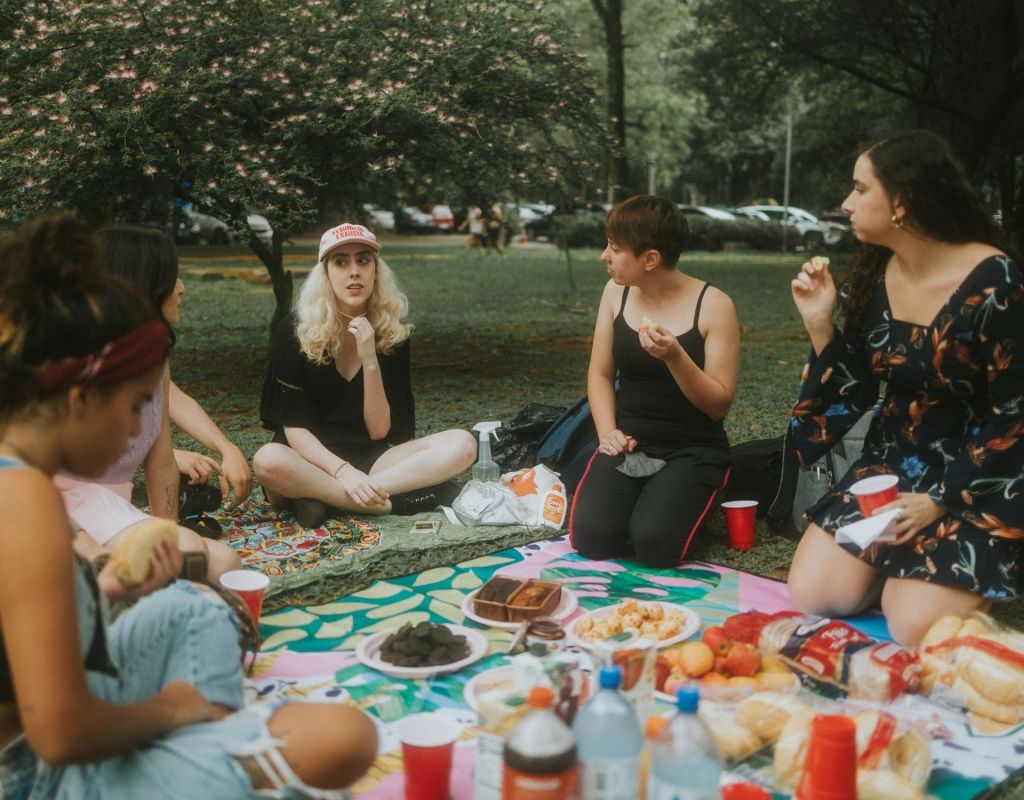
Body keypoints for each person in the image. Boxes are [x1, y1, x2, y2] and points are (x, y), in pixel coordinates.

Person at [0, 215, 377, 799]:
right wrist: (173, 709)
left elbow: (32, 621)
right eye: (135, 406)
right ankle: (210, 752)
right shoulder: (23, 503)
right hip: (37, 771)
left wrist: (109, 586)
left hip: (75, 696)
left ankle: (212, 743)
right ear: (79, 399)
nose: (143, 427)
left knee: (194, 605)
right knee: (341, 739)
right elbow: (61, 735)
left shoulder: (24, 480)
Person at [786, 129, 1024, 646]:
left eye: (859, 189)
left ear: (902, 202)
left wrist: (940, 500)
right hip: (889, 469)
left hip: (974, 474)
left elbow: (1014, 413)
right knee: (813, 594)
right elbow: (857, 387)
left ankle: (927, 580)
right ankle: (902, 572)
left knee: (914, 623)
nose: (847, 203)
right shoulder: (876, 271)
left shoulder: (996, 282)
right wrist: (820, 324)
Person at [254, 223, 476, 527]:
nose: (353, 271)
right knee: (267, 461)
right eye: (341, 262)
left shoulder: (392, 333)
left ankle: (332, 500)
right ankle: (383, 502)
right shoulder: (295, 331)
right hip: (308, 458)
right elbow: (293, 428)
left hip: (369, 457)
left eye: (363, 260)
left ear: (375, 271)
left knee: (463, 445)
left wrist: (370, 359)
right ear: (326, 274)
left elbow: (379, 432)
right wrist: (342, 471)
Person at [53, 225, 242, 581]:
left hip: (111, 511)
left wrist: (167, 533)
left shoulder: (156, 363)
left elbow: (161, 462)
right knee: (182, 566)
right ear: (144, 285)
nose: (182, 287)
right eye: (173, 277)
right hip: (56, 514)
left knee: (222, 564)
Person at [569, 195, 739, 567]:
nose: (604, 256)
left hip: (692, 448)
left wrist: (676, 357)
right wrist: (607, 433)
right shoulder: (616, 293)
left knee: (655, 545)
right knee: (590, 538)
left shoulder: (714, 305)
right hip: (631, 443)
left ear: (650, 259)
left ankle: (682, 499)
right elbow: (599, 374)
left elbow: (719, 404)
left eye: (614, 249)